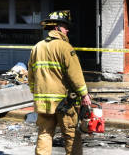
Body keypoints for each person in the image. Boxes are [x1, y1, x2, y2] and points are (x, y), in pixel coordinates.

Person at [28, 10, 92, 155]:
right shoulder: (65, 47)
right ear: (56, 28)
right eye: (65, 26)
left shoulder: (37, 47)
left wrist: (36, 91)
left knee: (44, 134)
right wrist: (84, 95)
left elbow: (31, 75)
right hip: (64, 102)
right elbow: (75, 75)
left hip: (43, 102)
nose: (67, 29)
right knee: (71, 135)